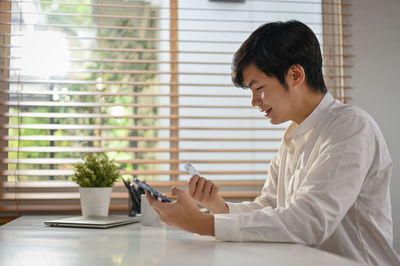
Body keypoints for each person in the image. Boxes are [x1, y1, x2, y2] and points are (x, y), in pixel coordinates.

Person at [146, 20, 400, 266]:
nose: (255, 102)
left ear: (295, 74)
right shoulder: (293, 135)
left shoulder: (351, 127)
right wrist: (218, 207)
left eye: (259, 88)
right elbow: (269, 206)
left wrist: (200, 224)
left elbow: (310, 221)